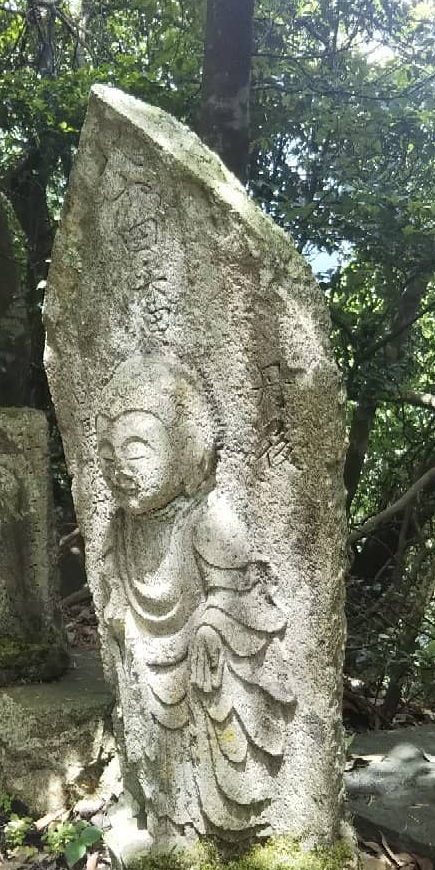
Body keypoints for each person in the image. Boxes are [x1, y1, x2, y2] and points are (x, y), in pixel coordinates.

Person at [96, 354, 295, 844]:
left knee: (212, 758)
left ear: (186, 449)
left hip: (203, 674)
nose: (119, 468)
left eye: (137, 450)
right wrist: (120, 612)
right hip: (147, 666)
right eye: (108, 453)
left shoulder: (207, 520)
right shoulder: (121, 528)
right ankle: (168, 821)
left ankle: (232, 837)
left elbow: (239, 595)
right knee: (157, 756)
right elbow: (114, 587)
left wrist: (210, 625)